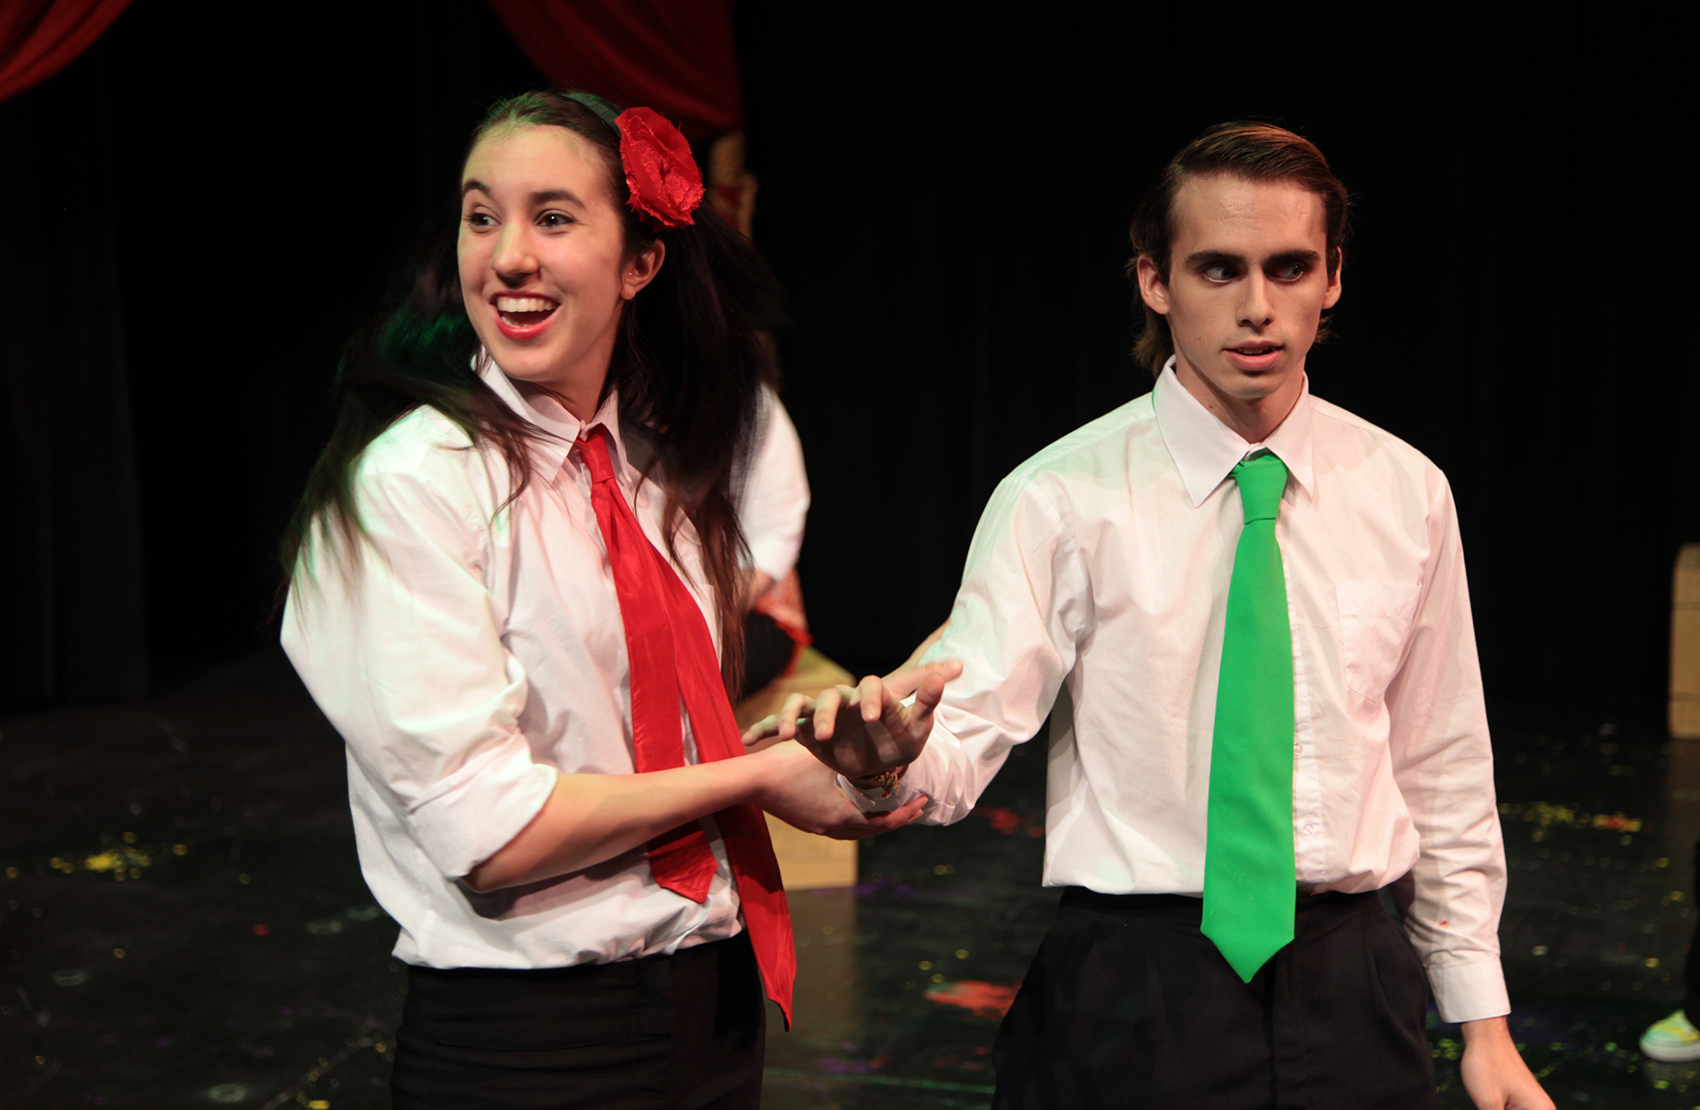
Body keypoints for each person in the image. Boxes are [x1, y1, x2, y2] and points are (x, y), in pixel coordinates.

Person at [779, 122, 1555, 1109]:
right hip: (1135, 989)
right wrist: (883, 763)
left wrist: (1480, 1025)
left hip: (1354, 980)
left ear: (1332, 279)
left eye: (1288, 268)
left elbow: (1441, 761)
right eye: (1218, 270)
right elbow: (962, 727)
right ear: (1155, 281)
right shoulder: (1059, 497)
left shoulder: (1404, 491)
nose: (1258, 308)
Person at [279, 89, 943, 1109]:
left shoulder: (656, 479)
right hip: (529, 1041)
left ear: (640, 262)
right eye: (480, 215)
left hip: (708, 1014)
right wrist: (753, 778)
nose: (506, 257)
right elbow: (491, 836)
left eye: (552, 217)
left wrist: (848, 770)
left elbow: (669, 741)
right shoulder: (413, 485)